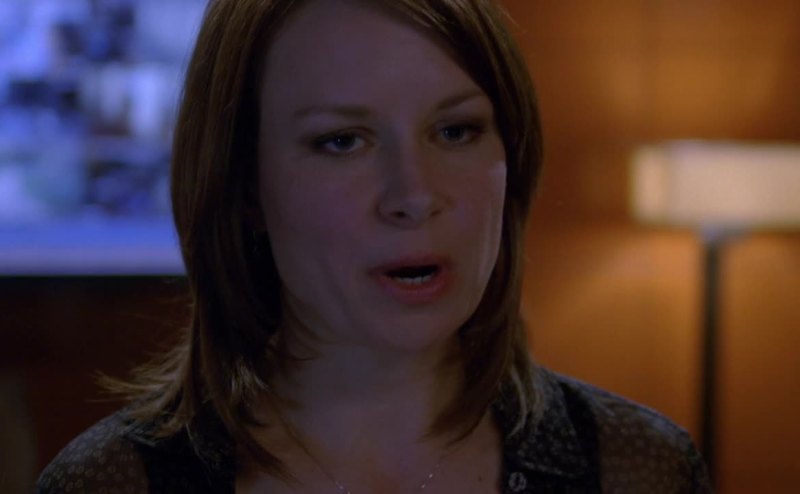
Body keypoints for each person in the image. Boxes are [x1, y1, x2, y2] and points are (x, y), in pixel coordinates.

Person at [37, 0, 712, 492]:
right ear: (244, 188)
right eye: (342, 141)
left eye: (455, 131)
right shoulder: (114, 482)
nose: (413, 196)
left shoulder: (635, 469)